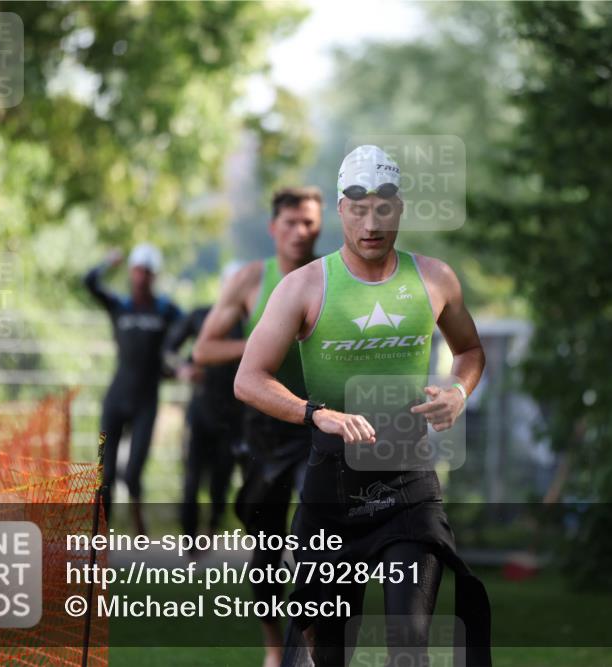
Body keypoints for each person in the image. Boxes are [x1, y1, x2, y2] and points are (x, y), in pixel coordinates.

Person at [234, 145, 492, 666]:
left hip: (409, 485)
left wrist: (459, 392)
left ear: (398, 210)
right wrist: (314, 413)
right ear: (339, 210)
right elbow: (248, 378)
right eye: (358, 207)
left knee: (409, 646)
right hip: (332, 490)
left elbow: (470, 351)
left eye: (383, 208)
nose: (371, 222)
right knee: (327, 652)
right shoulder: (304, 287)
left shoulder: (435, 278)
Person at [192, 187, 323, 667]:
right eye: (290, 222)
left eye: (309, 223)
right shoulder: (251, 280)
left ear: (320, 227)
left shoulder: (333, 278)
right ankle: (273, 648)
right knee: (266, 547)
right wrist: (260, 344)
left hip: (317, 420)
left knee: (317, 534)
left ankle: (308, 647)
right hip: (264, 429)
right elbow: (203, 350)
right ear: (273, 228)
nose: (300, 232)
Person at [83, 243, 183, 534]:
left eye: (147, 272)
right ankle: (101, 537)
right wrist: (108, 261)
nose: (141, 277)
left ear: (154, 276)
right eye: (137, 270)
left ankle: (139, 524)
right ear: (131, 272)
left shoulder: (166, 311)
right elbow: (89, 283)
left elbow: (193, 329)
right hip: (114, 401)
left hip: (145, 403)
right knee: (105, 474)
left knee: (133, 474)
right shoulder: (119, 306)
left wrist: (181, 366)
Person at [165, 294, 244, 553]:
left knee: (220, 484)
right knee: (191, 480)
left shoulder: (251, 321)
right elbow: (168, 350)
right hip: (199, 414)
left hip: (232, 417)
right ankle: (189, 543)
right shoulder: (201, 315)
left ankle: (210, 532)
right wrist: (182, 369)